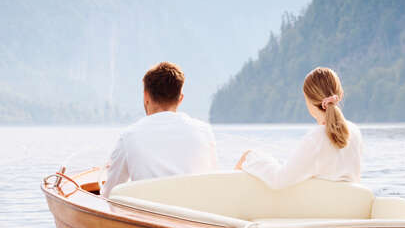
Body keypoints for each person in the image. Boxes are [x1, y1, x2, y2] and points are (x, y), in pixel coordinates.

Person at [101, 61, 218, 195]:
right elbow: (212, 182)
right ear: (180, 98)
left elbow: (110, 193)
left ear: (146, 96)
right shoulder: (204, 131)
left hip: (146, 214)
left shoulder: (129, 137)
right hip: (193, 214)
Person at [237, 66, 362, 188]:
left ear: (309, 100)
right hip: (347, 207)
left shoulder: (316, 137)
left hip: (321, 208)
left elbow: (279, 180)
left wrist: (251, 157)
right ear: (339, 95)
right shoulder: (355, 132)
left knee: (248, 157)